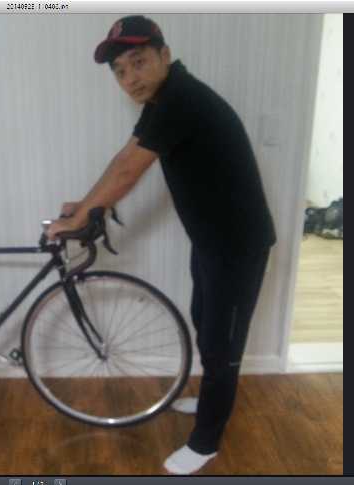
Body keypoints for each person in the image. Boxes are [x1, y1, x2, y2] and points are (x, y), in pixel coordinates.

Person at [47, 15, 276, 474]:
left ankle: (206, 442)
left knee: (223, 348)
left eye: (138, 62)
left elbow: (128, 173)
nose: (130, 77)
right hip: (209, 241)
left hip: (237, 246)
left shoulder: (182, 99)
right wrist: (87, 206)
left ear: (164, 56)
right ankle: (209, 403)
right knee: (204, 325)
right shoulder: (163, 100)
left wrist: (81, 215)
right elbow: (124, 157)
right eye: (120, 71)